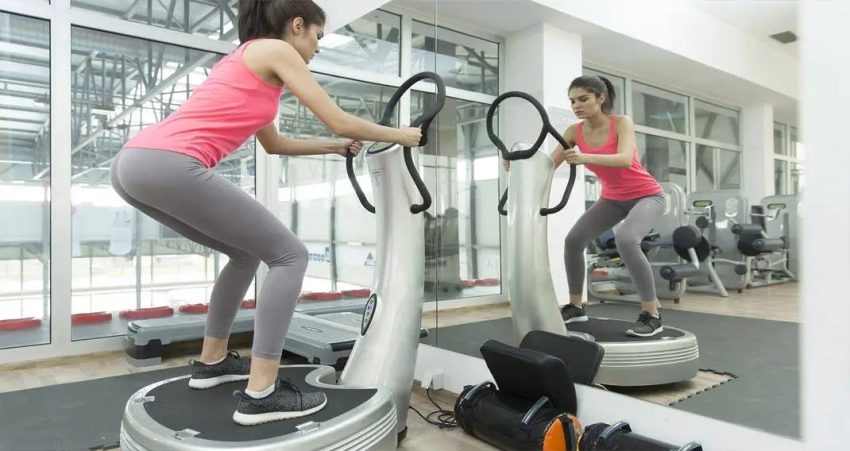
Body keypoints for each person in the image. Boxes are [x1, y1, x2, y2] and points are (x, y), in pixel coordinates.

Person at [110, 0, 422, 426]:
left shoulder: (247, 62)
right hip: (167, 163)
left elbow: (274, 145)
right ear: (297, 26)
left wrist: (333, 148)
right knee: (291, 255)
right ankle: (262, 393)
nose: (317, 47)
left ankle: (212, 362)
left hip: (133, 165)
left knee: (244, 255)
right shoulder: (276, 50)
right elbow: (339, 119)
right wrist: (401, 135)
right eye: (317, 36)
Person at [552, 75, 665, 337]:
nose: (577, 106)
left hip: (647, 195)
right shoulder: (573, 131)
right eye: (572, 101)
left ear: (600, 98)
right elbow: (549, 164)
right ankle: (576, 307)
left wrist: (584, 157)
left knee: (626, 239)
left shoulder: (621, 122)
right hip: (612, 199)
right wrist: (520, 163)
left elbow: (625, 159)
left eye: (583, 99)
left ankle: (652, 313)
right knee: (574, 240)